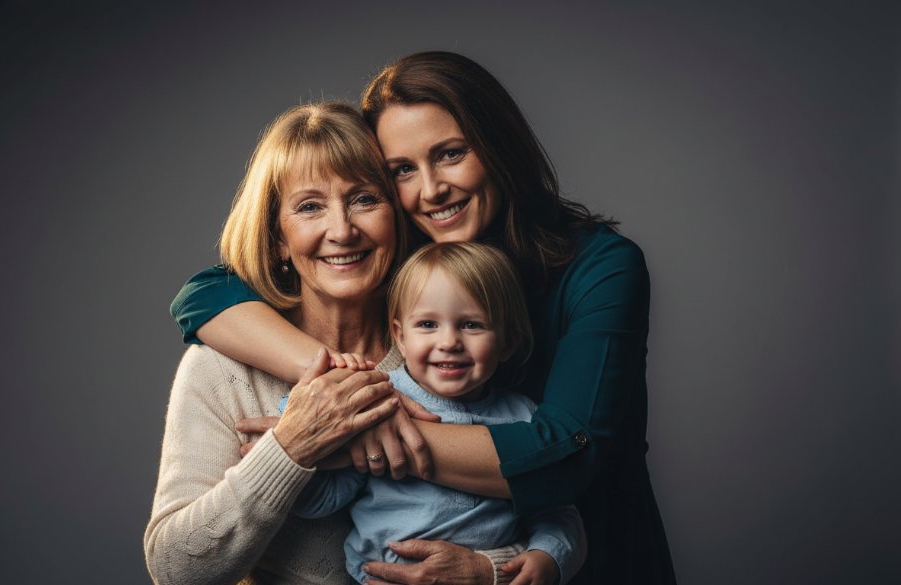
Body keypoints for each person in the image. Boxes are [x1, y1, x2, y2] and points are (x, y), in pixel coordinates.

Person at [170, 52, 676, 584]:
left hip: (595, 561)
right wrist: (343, 386)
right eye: (402, 171)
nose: (432, 189)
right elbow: (203, 293)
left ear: (499, 146)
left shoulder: (597, 266)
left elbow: (565, 459)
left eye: (451, 154)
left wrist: (360, 428)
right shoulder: (414, 252)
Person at [145, 102, 575, 585]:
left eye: (364, 200)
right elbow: (176, 571)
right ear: (278, 238)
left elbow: (554, 506)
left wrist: (489, 571)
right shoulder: (220, 367)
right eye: (310, 207)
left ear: (396, 214)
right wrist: (289, 447)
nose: (342, 230)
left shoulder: (456, 349)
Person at [292, 241, 586, 585]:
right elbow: (321, 500)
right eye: (428, 325)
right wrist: (296, 451)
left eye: (472, 325)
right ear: (400, 338)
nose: (449, 342)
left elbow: (558, 511)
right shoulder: (379, 397)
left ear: (506, 342)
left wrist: (548, 555)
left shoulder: (523, 417)